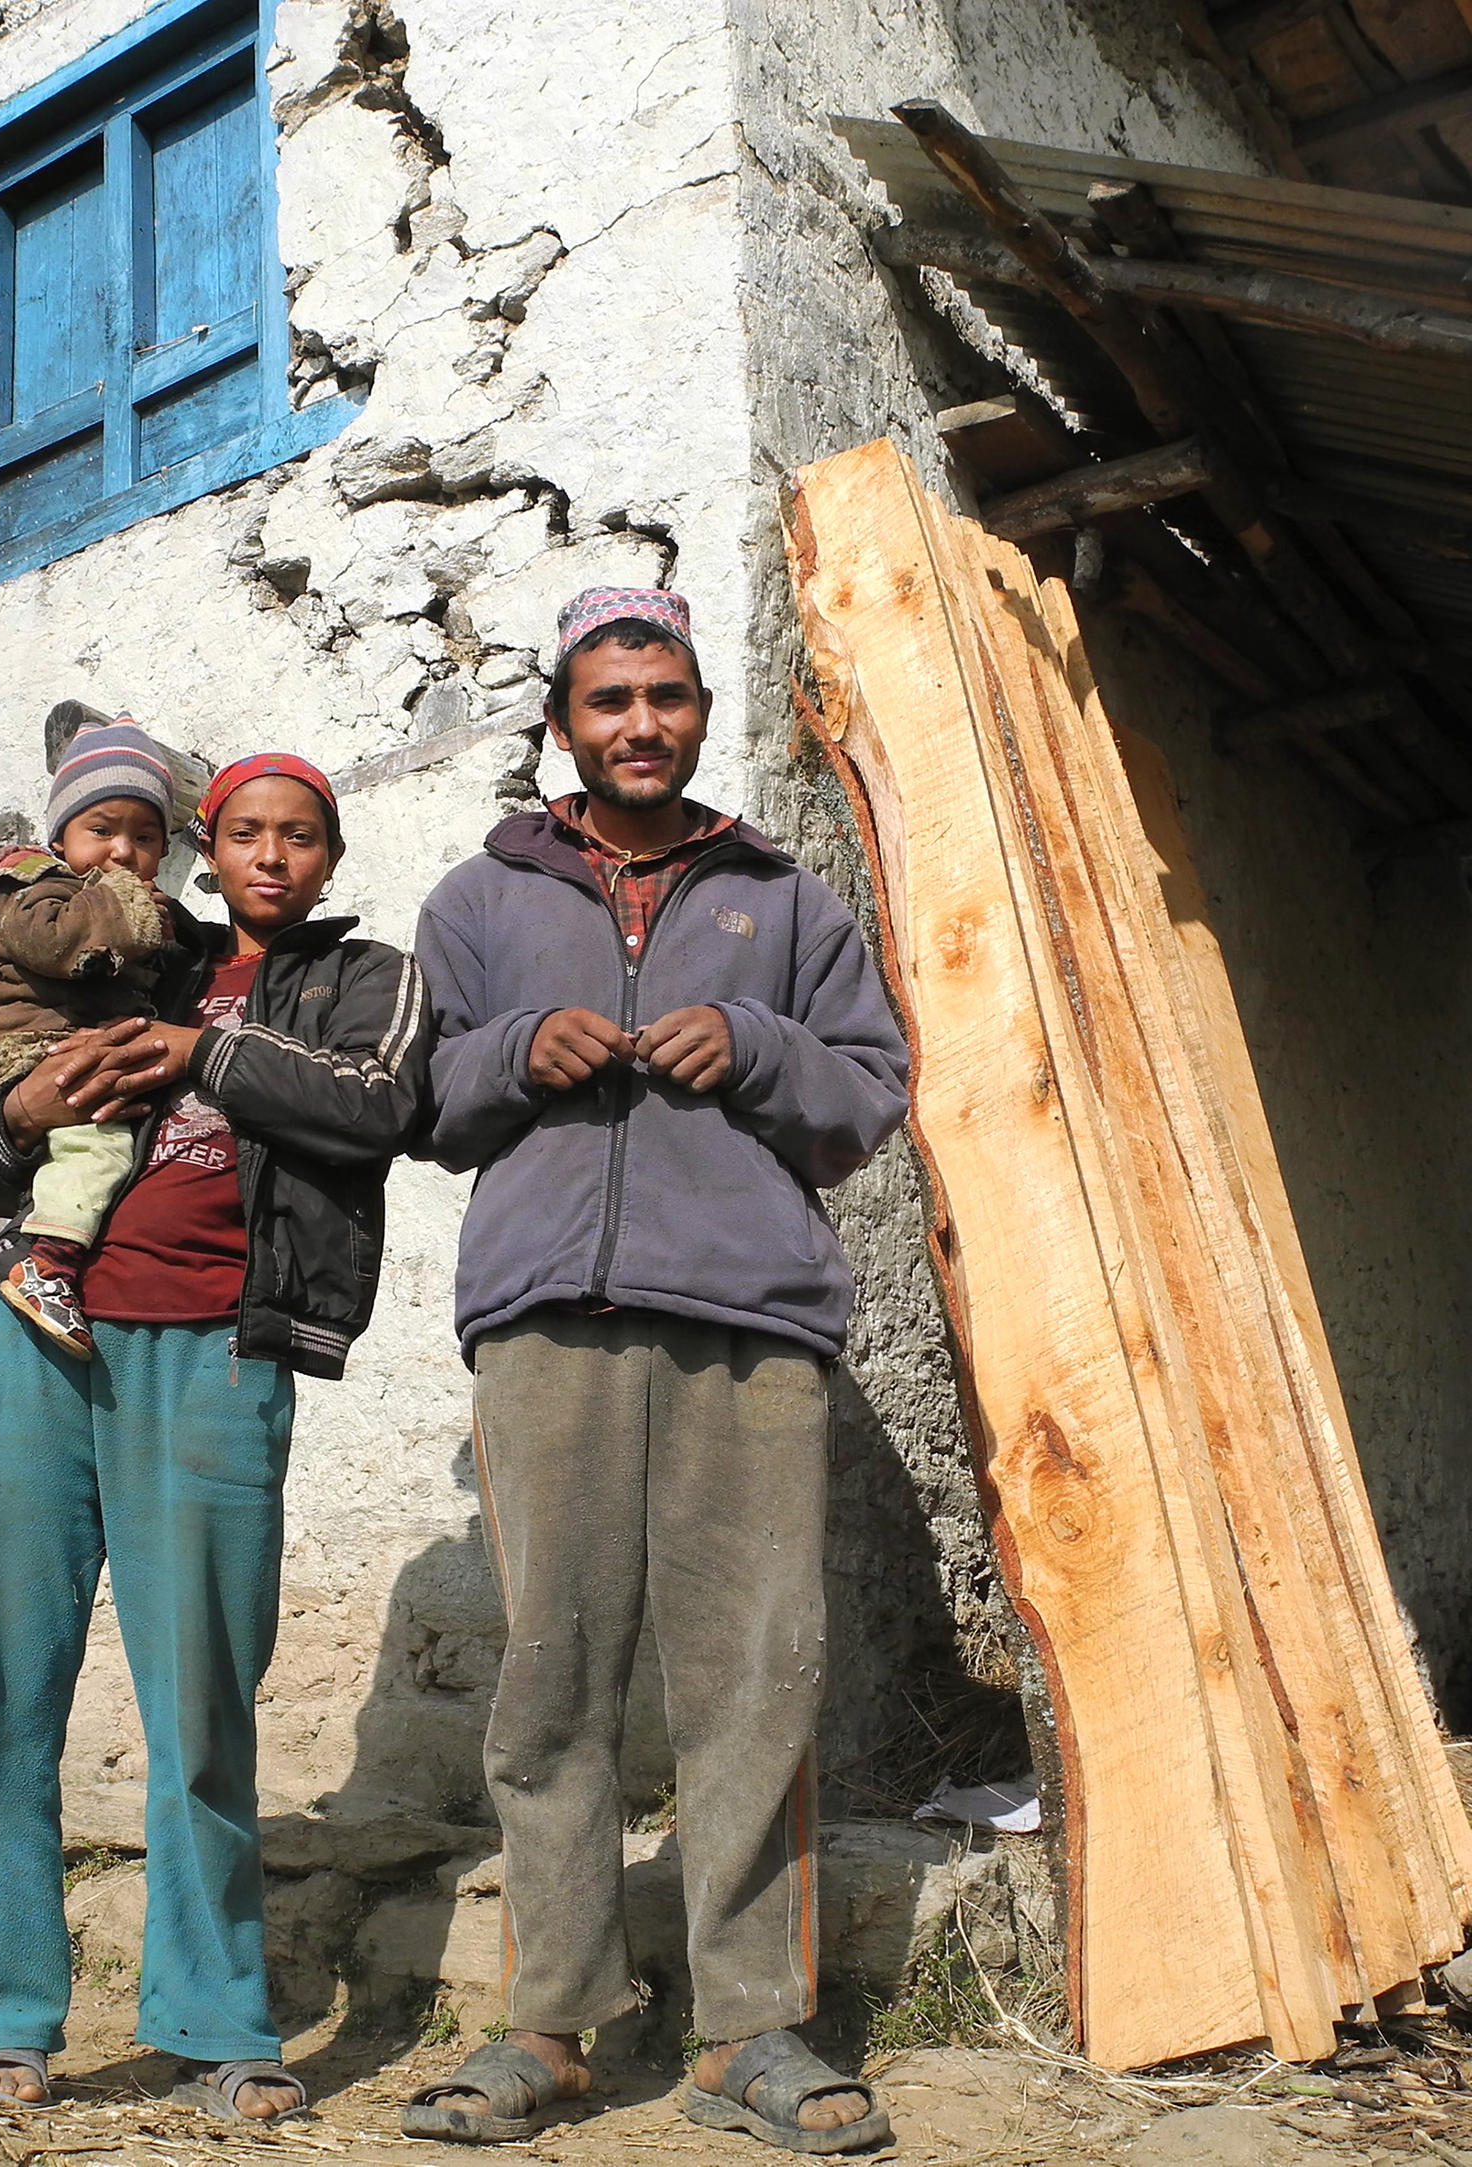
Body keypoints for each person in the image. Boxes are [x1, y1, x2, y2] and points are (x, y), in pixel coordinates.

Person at [402, 588, 910, 2154]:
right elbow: (419, 1095)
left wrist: (757, 1046)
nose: (641, 722)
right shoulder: (479, 898)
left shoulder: (786, 898)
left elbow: (869, 1092)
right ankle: (550, 2025)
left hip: (750, 1319)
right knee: (553, 1672)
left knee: (755, 1672)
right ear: (564, 721)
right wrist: (516, 1052)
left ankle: (751, 2026)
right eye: (610, 698)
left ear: (698, 710)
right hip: (546, 1312)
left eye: (667, 695)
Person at [0, 751, 434, 2125]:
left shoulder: (361, 976)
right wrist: (22, 1113)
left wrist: (202, 1050)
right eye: (247, 833)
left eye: (301, 836)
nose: (272, 855)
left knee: (203, 1701)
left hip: (213, 1344)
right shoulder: (137, 945)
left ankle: (214, 2017)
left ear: (329, 857)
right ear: (209, 846)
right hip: (28, 1332)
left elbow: (380, 1104)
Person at [0, 718, 185, 1356]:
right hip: (39, 1048)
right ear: (60, 836)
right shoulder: (31, 887)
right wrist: (127, 911)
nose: (123, 852)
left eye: (145, 837)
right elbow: (56, 943)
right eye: (101, 830)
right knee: (99, 1149)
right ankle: (42, 1259)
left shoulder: (127, 905)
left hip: (75, 1044)